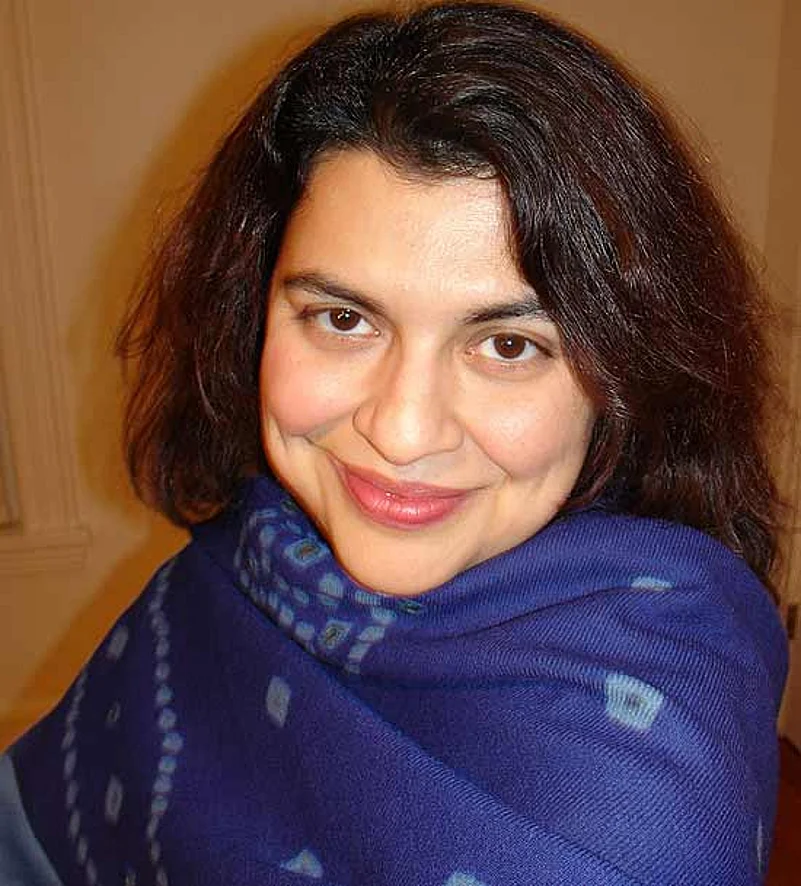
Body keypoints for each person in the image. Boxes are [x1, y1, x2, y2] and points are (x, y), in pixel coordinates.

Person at [1, 2, 788, 884]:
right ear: (249, 315)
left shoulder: (630, 815)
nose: (401, 433)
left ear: (628, 371)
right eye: (343, 319)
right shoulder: (257, 550)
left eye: (507, 345)